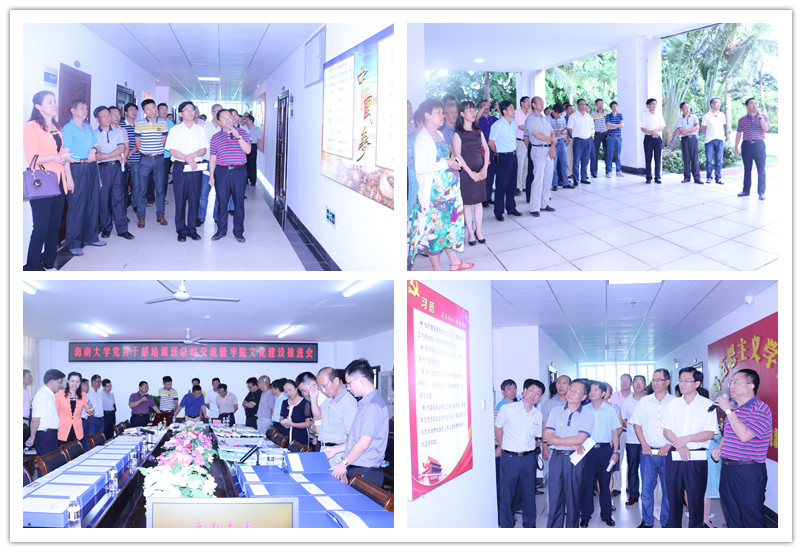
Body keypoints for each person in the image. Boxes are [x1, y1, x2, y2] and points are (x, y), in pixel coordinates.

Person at [407, 99, 473, 271]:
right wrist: (446, 163)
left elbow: (443, 159)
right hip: (434, 196)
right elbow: (420, 168)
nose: (442, 115)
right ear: (427, 115)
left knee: (448, 228)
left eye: (442, 112)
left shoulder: (439, 134)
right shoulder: (422, 139)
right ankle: (437, 268)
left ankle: (455, 261)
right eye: (438, 112)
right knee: (434, 232)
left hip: (447, 193)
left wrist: (452, 161)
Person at [711, 369, 772, 527]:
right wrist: (719, 448)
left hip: (748, 471)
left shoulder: (760, 409)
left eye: (736, 382)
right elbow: (729, 434)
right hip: (728, 469)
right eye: (731, 383)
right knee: (731, 513)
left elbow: (744, 436)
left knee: (751, 516)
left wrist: (728, 410)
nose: (731, 386)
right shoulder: (734, 408)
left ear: (751, 386)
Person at [662, 367, 717, 528]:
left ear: (697, 383)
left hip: (696, 458)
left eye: (687, 380)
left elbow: (709, 433)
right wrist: (679, 445)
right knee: (674, 497)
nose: (682, 384)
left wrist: (686, 439)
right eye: (681, 380)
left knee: (696, 499)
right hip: (675, 455)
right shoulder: (673, 404)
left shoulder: (707, 405)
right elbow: (666, 430)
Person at [23, 91, 72, 270]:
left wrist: (67, 167)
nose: (54, 104)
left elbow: (61, 152)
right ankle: (32, 268)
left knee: (54, 228)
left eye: (54, 101)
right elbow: (32, 158)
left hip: (59, 181)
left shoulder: (56, 126)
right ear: (38, 106)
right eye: (49, 102)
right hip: (42, 182)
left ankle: (49, 265)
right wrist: (55, 157)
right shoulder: (31, 126)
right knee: (41, 229)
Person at [326, 359, 389, 488]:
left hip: (365, 473)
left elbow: (364, 443)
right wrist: (336, 450)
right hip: (358, 469)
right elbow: (356, 439)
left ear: (361, 379)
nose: (348, 388)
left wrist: (343, 463)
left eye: (349, 383)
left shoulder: (373, 406)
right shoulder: (365, 403)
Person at [543, 380, 594, 528]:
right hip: (556, 458)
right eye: (571, 388)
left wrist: (557, 440)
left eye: (577, 391)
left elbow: (580, 439)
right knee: (555, 498)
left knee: (573, 499)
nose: (571, 392)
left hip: (575, 459)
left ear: (583, 397)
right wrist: (571, 443)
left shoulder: (588, 415)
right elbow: (547, 436)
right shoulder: (555, 411)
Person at [495, 378, 545, 528]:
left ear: (539, 398)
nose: (533, 395)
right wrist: (503, 445)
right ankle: (507, 525)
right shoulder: (508, 409)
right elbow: (498, 427)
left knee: (529, 493)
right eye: (531, 391)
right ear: (524, 391)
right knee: (507, 494)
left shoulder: (537, 414)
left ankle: (529, 523)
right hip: (509, 457)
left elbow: (536, 436)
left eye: (538, 393)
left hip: (528, 458)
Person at [630, 369, 675, 527]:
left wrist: (669, 445)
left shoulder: (676, 402)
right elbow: (637, 423)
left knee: (668, 490)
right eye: (653, 380)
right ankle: (647, 521)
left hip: (668, 453)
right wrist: (643, 443)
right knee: (647, 490)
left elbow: (680, 427)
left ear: (667, 382)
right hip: (648, 452)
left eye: (659, 380)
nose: (655, 383)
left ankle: (666, 521)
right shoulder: (644, 401)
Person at [62, 99, 105, 256]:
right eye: (82, 108)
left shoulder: (88, 127)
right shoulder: (68, 129)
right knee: (77, 207)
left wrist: (93, 150)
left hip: (91, 167)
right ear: (73, 110)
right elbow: (65, 155)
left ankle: (91, 237)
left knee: (93, 203)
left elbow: (98, 146)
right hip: (76, 168)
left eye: (86, 108)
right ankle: (73, 243)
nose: (85, 110)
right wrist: (69, 178)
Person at [579, 381, 621, 527]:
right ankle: (585, 515)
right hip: (587, 451)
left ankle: (606, 515)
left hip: (605, 450)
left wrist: (615, 452)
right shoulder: (583, 409)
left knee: (605, 484)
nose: (592, 392)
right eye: (591, 389)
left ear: (603, 393)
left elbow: (615, 432)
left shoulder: (610, 410)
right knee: (587, 484)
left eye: (596, 389)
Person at [165, 101, 207, 242]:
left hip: (196, 168)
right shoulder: (175, 130)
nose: (190, 112)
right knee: (180, 199)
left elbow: (203, 149)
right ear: (181, 114)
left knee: (195, 199)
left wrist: (192, 157)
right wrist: (187, 159)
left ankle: (192, 229)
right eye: (187, 110)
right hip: (180, 167)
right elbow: (172, 150)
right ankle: (181, 230)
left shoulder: (200, 129)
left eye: (192, 110)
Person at [209, 108, 251, 243]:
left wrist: (238, 136)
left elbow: (248, 150)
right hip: (222, 172)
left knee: (239, 202)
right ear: (218, 122)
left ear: (233, 119)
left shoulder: (243, 133)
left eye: (229, 117)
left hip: (239, 171)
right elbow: (212, 158)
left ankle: (238, 232)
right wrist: (211, 176)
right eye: (223, 118)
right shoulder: (215, 137)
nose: (227, 120)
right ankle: (221, 230)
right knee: (222, 202)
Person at [93, 106, 133, 240]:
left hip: (116, 168)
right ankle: (106, 228)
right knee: (103, 199)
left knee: (119, 198)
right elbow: (96, 153)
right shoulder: (93, 134)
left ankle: (122, 229)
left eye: (108, 115)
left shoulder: (118, 131)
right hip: (102, 169)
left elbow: (121, 148)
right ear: (97, 119)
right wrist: (113, 155)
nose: (107, 118)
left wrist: (107, 155)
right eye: (103, 116)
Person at [452, 101, 489, 247]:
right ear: (462, 114)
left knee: (478, 203)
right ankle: (470, 232)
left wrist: (485, 168)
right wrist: (470, 173)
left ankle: (478, 231)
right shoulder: (458, 133)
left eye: (474, 110)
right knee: (467, 204)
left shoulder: (478, 131)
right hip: (466, 173)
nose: (473, 113)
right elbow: (458, 155)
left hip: (480, 171)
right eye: (470, 110)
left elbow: (486, 149)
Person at [307, 366, 358, 466]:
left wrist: (344, 463)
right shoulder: (331, 398)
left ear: (336, 381)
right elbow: (318, 416)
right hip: (326, 449)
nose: (323, 390)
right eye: (320, 387)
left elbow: (352, 438)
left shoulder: (348, 402)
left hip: (337, 454)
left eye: (324, 386)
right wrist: (313, 399)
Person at [134, 99, 169, 228]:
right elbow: (138, 143)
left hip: (159, 159)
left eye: (153, 107)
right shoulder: (139, 124)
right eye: (148, 108)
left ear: (156, 108)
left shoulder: (163, 123)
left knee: (160, 189)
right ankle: (141, 217)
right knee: (142, 190)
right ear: (144, 111)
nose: (151, 111)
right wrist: (146, 153)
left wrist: (155, 152)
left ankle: (160, 215)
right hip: (145, 160)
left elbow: (163, 142)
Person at [488, 99, 522, 222]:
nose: (513, 110)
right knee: (501, 185)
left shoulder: (513, 124)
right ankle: (498, 211)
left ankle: (511, 208)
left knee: (512, 184)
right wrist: (497, 152)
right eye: (511, 108)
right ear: (504, 111)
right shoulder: (497, 125)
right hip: (502, 157)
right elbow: (491, 142)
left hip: (513, 156)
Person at [524, 96, 557, 217]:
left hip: (549, 150)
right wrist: (552, 140)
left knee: (548, 178)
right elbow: (537, 135)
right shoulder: (530, 119)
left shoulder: (545, 119)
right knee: (538, 179)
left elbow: (552, 133)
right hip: (538, 150)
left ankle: (544, 203)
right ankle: (534, 207)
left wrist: (552, 147)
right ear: (533, 105)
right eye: (539, 102)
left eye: (542, 102)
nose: (542, 104)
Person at [734, 97, 771, 200]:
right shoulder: (742, 119)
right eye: (752, 104)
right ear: (747, 107)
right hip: (746, 145)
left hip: (759, 145)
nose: (755, 106)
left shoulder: (763, 117)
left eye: (756, 104)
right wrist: (736, 146)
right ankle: (746, 191)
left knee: (761, 170)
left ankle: (761, 193)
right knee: (747, 169)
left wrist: (760, 117)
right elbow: (738, 133)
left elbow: (766, 129)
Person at [25, 369, 65, 455]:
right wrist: (32, 437)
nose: (61, 385)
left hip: (50, 435)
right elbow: (35, 419)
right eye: (59, 382)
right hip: (45, 436)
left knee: (52, 461)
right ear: (51, 381)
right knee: (46, 461)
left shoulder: (49, 394)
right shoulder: (43, 395)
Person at [56, 372, 95, 447]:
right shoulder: (59, 393)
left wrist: (91, 407)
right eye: (72, 381)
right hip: (63, 430)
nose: (74, 384)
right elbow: (56, 412)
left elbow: (91, 412)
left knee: (76, 452)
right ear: (68, 381)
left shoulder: (83, 394)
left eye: (77, 381)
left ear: (80, 383)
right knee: (64, 452)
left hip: (77, 430)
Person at [567, 98, 594, 186]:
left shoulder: (588, 116)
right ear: (578, 105)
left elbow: (591, 128)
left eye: (584, 104)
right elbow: (570, 129)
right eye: (581, 104)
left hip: (588, 140)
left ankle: (583, 178)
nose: (583, 106)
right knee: (576, 161)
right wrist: (576, 136)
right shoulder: (573, 116)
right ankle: (575, 179)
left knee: (585, 161)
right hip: (578, 141)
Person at [277, 379, 312, 446]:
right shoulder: (284, 403)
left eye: (290, 390)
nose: (289, 393)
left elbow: (308, 423)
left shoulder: (305, 403)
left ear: (296, 388)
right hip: (285, 436)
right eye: (286, 392)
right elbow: (281, 418)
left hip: (300, 437)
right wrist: (283, 423)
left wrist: (292, 424)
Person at [701, 97, 727, 184]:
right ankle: (709, 177)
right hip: (709, 140)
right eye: (717, 103)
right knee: (709, 160)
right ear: (712, 104)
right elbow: (704, 128)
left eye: (720, 103)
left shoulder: (722, 115)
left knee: (719, 160)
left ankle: (718, 178)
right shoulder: (706, 116)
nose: (719, 104)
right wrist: (709, 134)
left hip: (720, 140)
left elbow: (722, 126)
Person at [675, 102, 703, 184]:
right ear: (681, 109)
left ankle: (697, 178)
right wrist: (691, 130)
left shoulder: (694, 117)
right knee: (686, 159)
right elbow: (680, 131)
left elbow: (697, 127)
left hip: (693, 139)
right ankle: (686, 177)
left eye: (688, 107)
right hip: (685, 140)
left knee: (695, 159)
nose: (687, 109)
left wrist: (686, 131)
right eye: (685, 108)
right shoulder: (679, 119)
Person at [640, 98, 666, 184]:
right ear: (648, 105)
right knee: (648, 158)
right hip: (648, 138)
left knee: (657, 158)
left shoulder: (659, 115)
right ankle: (648, 177)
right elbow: (642, 128)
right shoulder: (644, 115)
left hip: (657, 138)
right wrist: (651, 132)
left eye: (655, 104)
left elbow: (662, 126)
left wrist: (655, 131)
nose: (654, 106)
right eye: (652, 104)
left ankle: (657, 177)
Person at [477, 99, 498, 205]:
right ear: (479, 108)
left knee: (491, 173)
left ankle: (488, 196)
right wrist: (483, 108)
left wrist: (499, 109)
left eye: (488, 105)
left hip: (492, 147)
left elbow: (503, 121)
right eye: (484, 105)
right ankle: (482, 197)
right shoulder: (478, 119)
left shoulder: (493, 118)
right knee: (483, 172)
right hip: (481, 149)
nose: (487, 107)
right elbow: (475, 119)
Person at [120, 103, 140, 213]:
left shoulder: (139, 125)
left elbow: (140, 143)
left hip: (136, 158)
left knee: (136, 184)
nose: (134, 112)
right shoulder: (120, 125)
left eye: (135, 110)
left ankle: (135, 204)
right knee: (122, 184)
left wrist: (130, 153)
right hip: (123, 159)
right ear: (126, 112)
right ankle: (122, 205)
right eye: (131, 110)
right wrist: (125, 156)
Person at [549, 103, 571, 190]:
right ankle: (554, 184)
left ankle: (565, 182)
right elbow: (545, 131)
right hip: (553, 143)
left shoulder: (562, 118)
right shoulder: (547, 119)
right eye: (558, 114)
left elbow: (565, 127)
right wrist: (555, 131)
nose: (559, 116)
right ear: (553, 111)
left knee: (564, 163)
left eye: (561, 114)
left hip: (562, 142)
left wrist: (564, 131)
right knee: (553, 165)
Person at [514, 96, 531, 195]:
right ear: (522, 103)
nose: (529, 104)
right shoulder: (517, 113)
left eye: (530, 102)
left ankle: (524, 185)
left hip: (529, 141)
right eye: (527, 102)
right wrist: (533, 128)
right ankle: (517, 186)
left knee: (527, 164)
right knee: (520, 164)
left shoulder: (529, 114)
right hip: (520, 141)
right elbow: (521, 127)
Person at [590, 99, 609, 178]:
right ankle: (594, 170)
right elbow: (591, 124)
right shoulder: (593, 114)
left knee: (607, 152)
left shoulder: (607, 113)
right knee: (595, 153)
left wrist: (609, 134)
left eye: (601, 103)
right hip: (597, 134)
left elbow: (609, 124)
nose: (600, 105)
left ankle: (608, 170)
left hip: (606, 134)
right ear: (596, 105)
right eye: (599, 103)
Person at [604, 101, 624, 177]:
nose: (615, 108)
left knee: (618, 155)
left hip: (618, 137)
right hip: (611, 137)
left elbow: (622, 125)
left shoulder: (620, 115)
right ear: (611, 108)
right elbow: (608, 127)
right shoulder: (608, 116)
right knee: (610, 154)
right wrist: (617, 125)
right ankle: (609, 171)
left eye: (616, 106)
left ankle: (618, 171)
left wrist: (612, 125)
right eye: (613, 106)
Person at [243, 113, 262, 186]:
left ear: (251, 121)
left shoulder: (256, 129)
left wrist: (256, 147)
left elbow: (259, 139)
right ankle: (246, 179)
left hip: (253, 146)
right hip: (246, 146)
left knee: (252, 164)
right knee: (246, 163)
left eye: (247, 120)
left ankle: (253, 180)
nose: (246, 121)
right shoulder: (245, 128)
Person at [86, 374, 106, 439]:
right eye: (98, 382)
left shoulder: (100, 392)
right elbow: (87, 405)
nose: (100, 383)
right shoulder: (88, 392)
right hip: (92, 419)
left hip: (101, 419)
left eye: (100, 382)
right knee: (91, 439)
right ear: (93, 381)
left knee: (100, 439)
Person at [23, 369, 34, 444]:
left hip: (26, 421)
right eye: (29, 377)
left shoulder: (27, 389)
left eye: (31, 377)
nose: (31, 379)